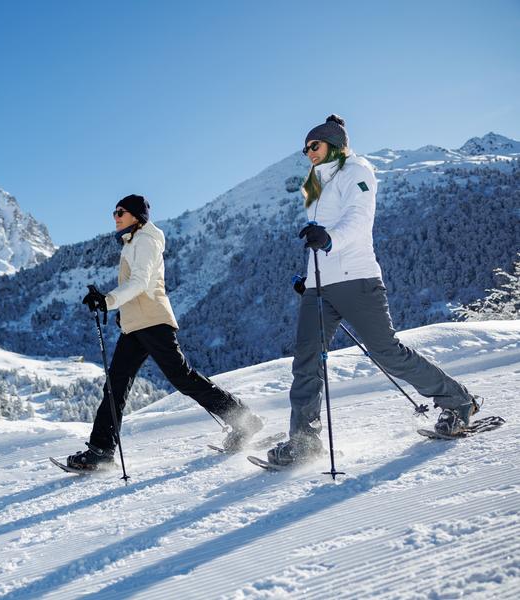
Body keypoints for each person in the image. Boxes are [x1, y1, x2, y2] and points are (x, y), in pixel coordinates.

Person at [268, 115, 479, 467]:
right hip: (320, 288)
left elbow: (358, 220)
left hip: (357, 279)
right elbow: (319, 234)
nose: (309, 153)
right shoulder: (315, 184)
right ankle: (304, 440)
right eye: (305, 149)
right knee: (306, 360)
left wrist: (329, 240)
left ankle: (457, 402)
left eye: (314, 145)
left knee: (386, 352)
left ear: (334, 145)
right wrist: (310, 277)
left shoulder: (357, 171)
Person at [67, 194, 264, 470]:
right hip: (136, 325)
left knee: (181, 377)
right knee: (115, 384)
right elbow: (138, 288)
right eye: (114, 212)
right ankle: (101, 449)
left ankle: (244, 419)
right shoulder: (132, 242)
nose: (115, 217)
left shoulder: (146, 240)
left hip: (153, 322)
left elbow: (141, 282)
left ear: (136, 216)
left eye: (120, 212)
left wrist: (108, 301)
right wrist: (123, 312)